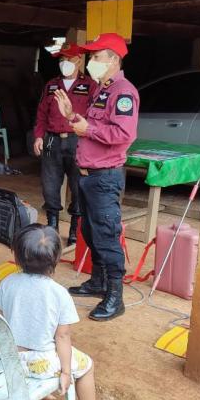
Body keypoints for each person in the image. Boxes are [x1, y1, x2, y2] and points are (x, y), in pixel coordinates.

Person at [0, 224, 103, 400]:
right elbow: (62, 337)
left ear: (17, 257)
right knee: (87, 366)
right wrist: (65, 372)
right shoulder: (59, 294)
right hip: (41, 364)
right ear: (56, 259)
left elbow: (2, 323)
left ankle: (43, 393)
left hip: (10, 358)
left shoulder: (7, 283)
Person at [54, 32, 139, 321]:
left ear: (113, 60)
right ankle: (99, 282)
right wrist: (71, 117)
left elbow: (124, 134)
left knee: (106, 235)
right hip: (88, 175)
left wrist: (87, 129)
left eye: (96, 56)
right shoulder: (103, 89)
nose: (91, 61)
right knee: (90, 231)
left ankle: (115, 296)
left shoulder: (123, 92)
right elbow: (91, 126)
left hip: (104, 177)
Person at [33, 42, 95, 245]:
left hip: (78, 141)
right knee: (49, 184)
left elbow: (95, 116)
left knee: (79, 186)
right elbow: (41, 114)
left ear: (79, 61)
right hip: (52, 140)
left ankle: (75, 229)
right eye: (61, 60)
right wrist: (39, 136)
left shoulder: (90, 85)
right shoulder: (51, 85)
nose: (64, 63)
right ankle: (52, 227)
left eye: (69, 59)